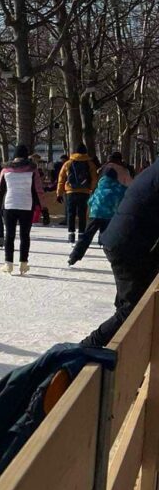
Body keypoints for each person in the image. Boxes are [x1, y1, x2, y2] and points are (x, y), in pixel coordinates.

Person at [82, 160, 159, 347]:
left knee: (132, 306)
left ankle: (121, 352)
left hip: (128, 239)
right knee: (133, 309)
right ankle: (86, 350)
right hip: (129, 243)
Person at [0, 145, 44, 275]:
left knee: (9, 235)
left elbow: (0, 190)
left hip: (9, 204)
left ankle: (8, 264)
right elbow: (38, 189)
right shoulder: (32, 170)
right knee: (25, 235)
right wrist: (42, 206)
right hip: (26, 204)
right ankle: (23, 264)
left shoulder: (5, 170)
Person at [69, 167, 127, 266]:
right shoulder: (120, 188)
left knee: (86, 236)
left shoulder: (100, 187)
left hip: (95, 214)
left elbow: (90, 201)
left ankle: (74, 256)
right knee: (109, 238)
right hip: (110, 216)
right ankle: (114, 258)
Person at [57, 144, 98, 244]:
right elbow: (94, 178)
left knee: (71, 213)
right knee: (82, 214)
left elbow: (61, 178)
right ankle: (81, 234)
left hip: (70, 191)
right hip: (84, 192)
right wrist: (92, 189)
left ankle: (71, 235)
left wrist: (59, 193)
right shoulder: (90, 163)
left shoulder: (68, 163)